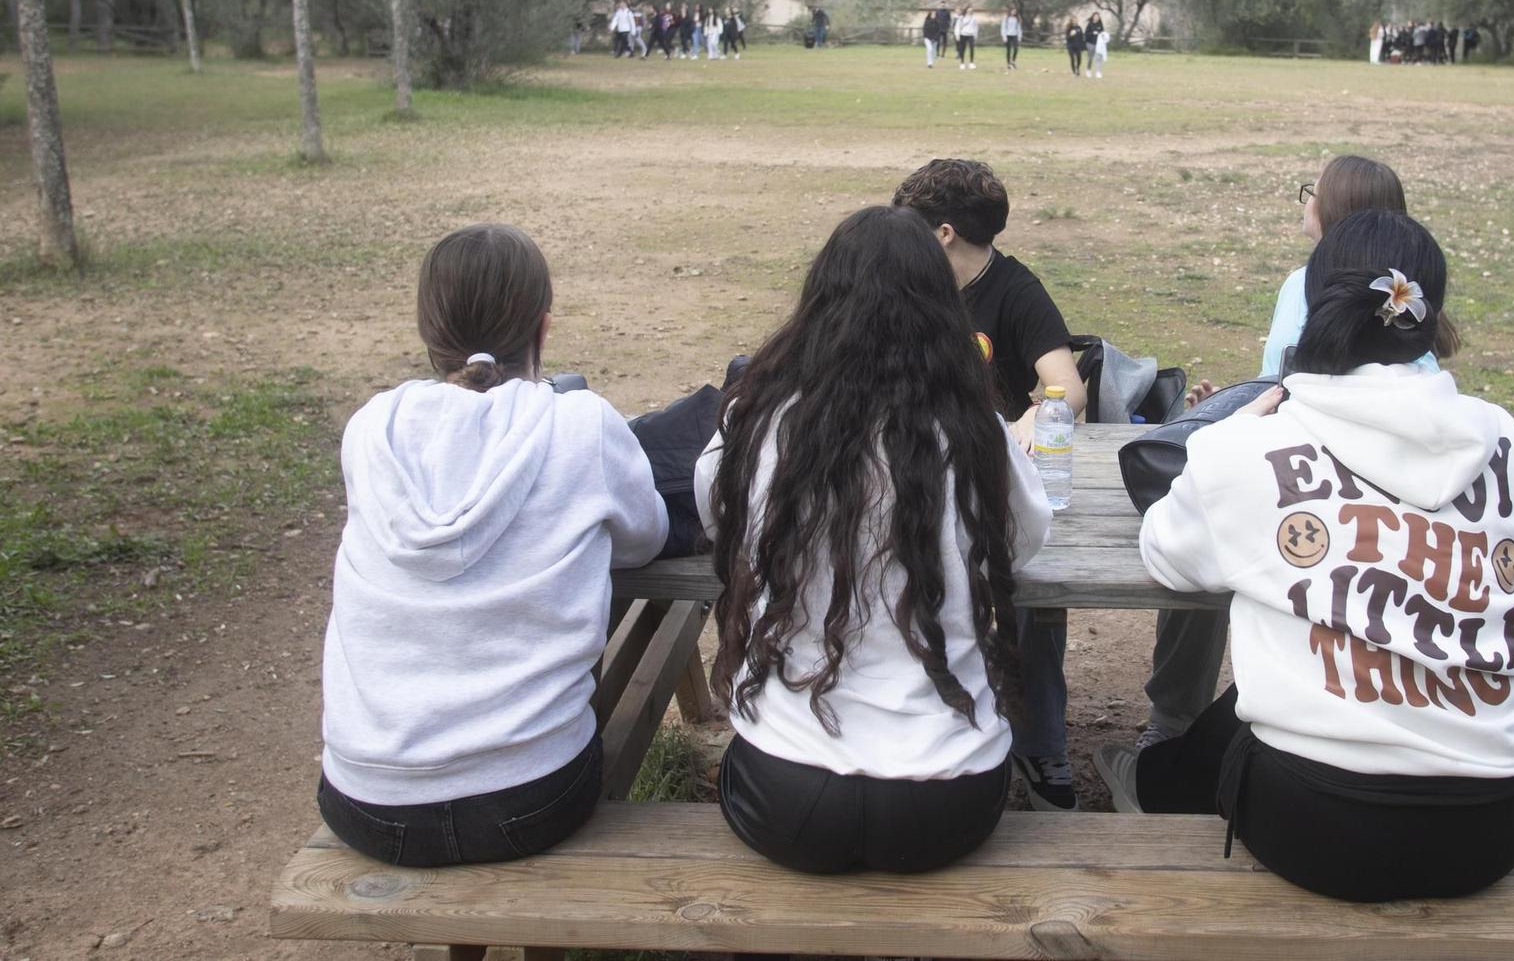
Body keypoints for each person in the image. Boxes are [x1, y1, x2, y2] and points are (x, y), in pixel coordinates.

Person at [1093, 209, 1514, 902]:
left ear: (1312, 307)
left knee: (1277, 690)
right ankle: (1160, 777)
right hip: (1496, 823)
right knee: (1283, 686)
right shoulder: (1505, 440)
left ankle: (1154, 783)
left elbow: (1167, 553)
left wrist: (1216, 444)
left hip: (1321, 826)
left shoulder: (1250, 447)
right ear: (1432, 321)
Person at [696, 205, 1053, 873]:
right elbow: (1024, 539)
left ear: (819, 302)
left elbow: (718, 512)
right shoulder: (977, 431)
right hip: (948, 795)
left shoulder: (758, 418)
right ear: (943, 311)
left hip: (788, 790)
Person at [316, 223, 670, 868]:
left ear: (429, 333)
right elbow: (647, 541)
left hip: (365, 803)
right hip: (530, 801)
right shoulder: (581, 424)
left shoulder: (370, 429)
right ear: (543, 328)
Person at [1152, 156, 1456, 756]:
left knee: (1220, 530)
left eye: (1309, 193)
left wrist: (1233, 429)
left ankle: (1172, 723)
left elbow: (1285, 393)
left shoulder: (1303, 286)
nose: (1303, 202)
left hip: (1306, 480)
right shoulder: (1479, 429)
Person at [891, 159, 1087, 812]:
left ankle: (1039, 738)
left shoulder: (1013, 289)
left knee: (1031, 588)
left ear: (943, 233)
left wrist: (1034, 415)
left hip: (990, 479)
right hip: (908, 465)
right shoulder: (905, 286)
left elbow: (1070, 384)